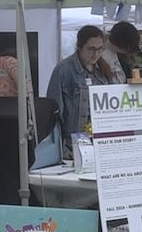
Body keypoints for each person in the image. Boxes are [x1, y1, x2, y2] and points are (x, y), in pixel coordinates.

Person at [46, 26, 117, 156]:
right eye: (91, 49)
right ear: (79, 46)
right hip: (72, 147)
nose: (96, 54)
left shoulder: (103, 70)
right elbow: (53, 114)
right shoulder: (63, 70)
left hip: (100, 144)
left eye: (100, 49)